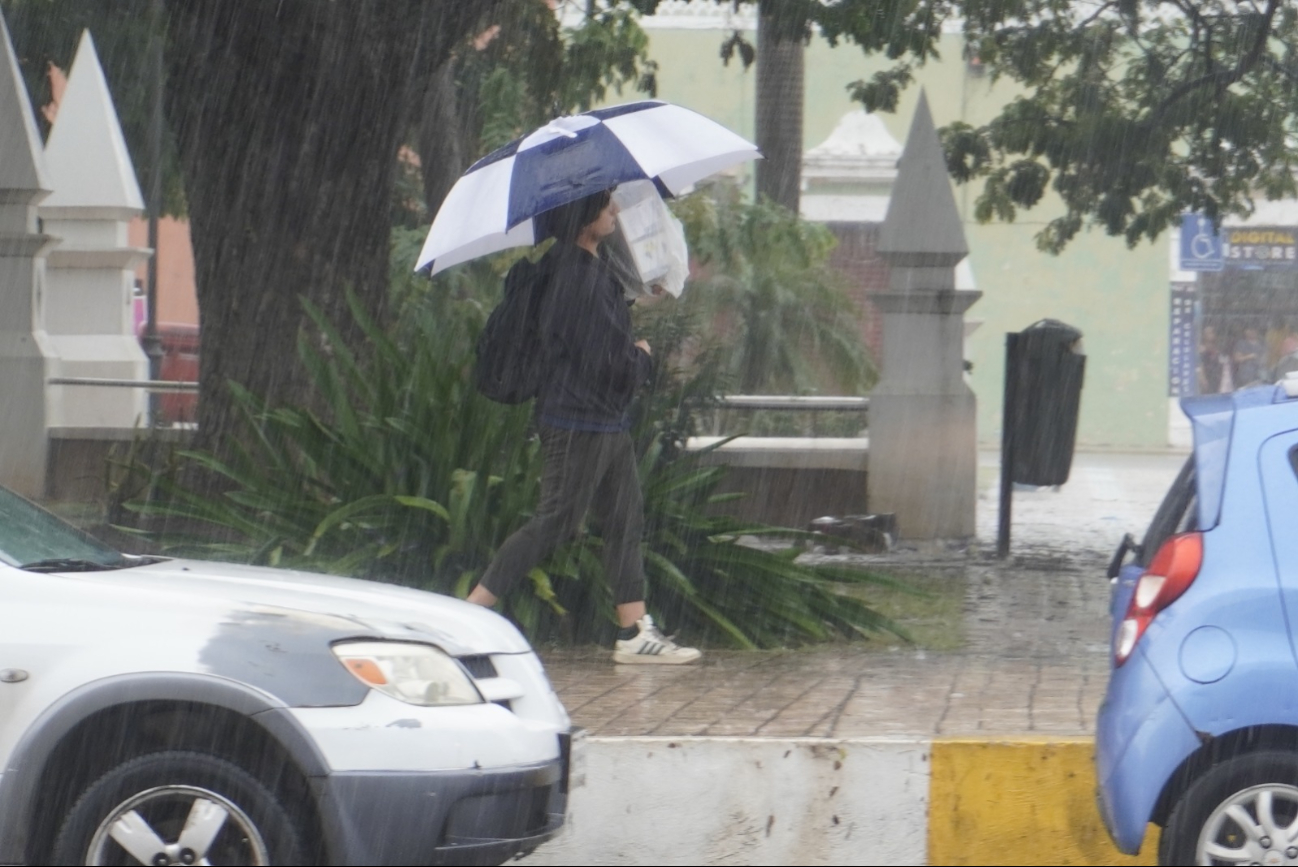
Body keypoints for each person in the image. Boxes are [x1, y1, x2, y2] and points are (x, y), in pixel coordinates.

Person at [466, 188, 701, 665]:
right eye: (605, 205)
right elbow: (603, 361)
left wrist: (635, 304)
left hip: (599, 420)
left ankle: (634, 631)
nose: (615, 211)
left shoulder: (581, 269)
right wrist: (641, 357)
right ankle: (467, 618)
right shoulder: (577, 278)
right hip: (578, 420)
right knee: (555, 521)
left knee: (623, 519)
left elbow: (593, 335)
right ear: (583, 217)